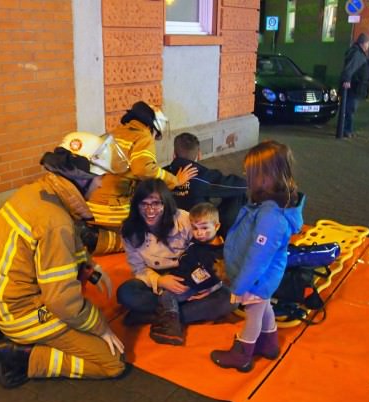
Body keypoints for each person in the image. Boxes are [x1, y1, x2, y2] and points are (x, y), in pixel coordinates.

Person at [0, 132, 126, 388]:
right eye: (100, 177)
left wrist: (91, 268)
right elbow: (62, 302)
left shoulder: (39, 192)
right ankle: (21, 358)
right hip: (19, 312)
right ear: (82, 178)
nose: (102, 184)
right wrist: (101, 327)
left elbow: (67, 240)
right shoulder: (55, 222)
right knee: (113, 361)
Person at [210, 140, 305, 373]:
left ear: (267, 176)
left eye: (250, 173)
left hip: (256, 278)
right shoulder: (268, 207)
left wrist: (240, 285)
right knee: (262, 306)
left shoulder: (270, 216)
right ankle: (269, 343)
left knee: (253, 312)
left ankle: (242, 354)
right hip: (261, 277)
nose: (246, 176)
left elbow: (257, 257)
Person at [116, 179, 236, 332]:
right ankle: (175, 313)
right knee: (126, 293)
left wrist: (210, 287)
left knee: (229, 299)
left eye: (156, 203)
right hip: (158, 280)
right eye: (144, 204)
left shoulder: (185, 219)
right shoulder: (130, 230)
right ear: (136, 205)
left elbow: (214, 252)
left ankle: (157, 315)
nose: (150, 210)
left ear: (165, 203)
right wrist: (160, 280)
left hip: (191, 277)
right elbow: (138, 268)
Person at [83, 101, 197, 255]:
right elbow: (144, 169)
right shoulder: (143, 136)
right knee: (143, 239)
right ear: (152, 128)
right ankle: (96, 240)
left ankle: (93, 232)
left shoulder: (116, 132)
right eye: (156, 135)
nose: (154, 139)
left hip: (91, 202)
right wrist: (175, 181)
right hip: (111, 207)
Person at [149, 202, 226, 345]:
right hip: (181, 277)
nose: (199, 233)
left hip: (189, 285)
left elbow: (202, 277)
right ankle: (163, 314)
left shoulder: (218, 254)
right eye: (195, 228)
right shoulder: (198, 243)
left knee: (167, 295)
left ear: (216, 226)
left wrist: (184, 283)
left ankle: (171, 328)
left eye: (204, 228)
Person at [164, 132, 247, 237]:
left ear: (174, 155)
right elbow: (241, 185)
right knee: (237, 193)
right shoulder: (203, 176)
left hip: (170, 227)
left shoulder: (162, 174)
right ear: (199, 155)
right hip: (198, 228)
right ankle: (223, 236)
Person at [339, 33, 369, 138]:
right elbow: (350, 68)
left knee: (349, 109)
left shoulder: (357, 52)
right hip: (355, 87)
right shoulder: (357, 54)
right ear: (364, 43)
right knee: (350, 109)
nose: (368, 46)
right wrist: (347, 79)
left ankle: (346, 129)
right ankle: (346, 130)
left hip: (356, 87)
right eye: (368, 44)